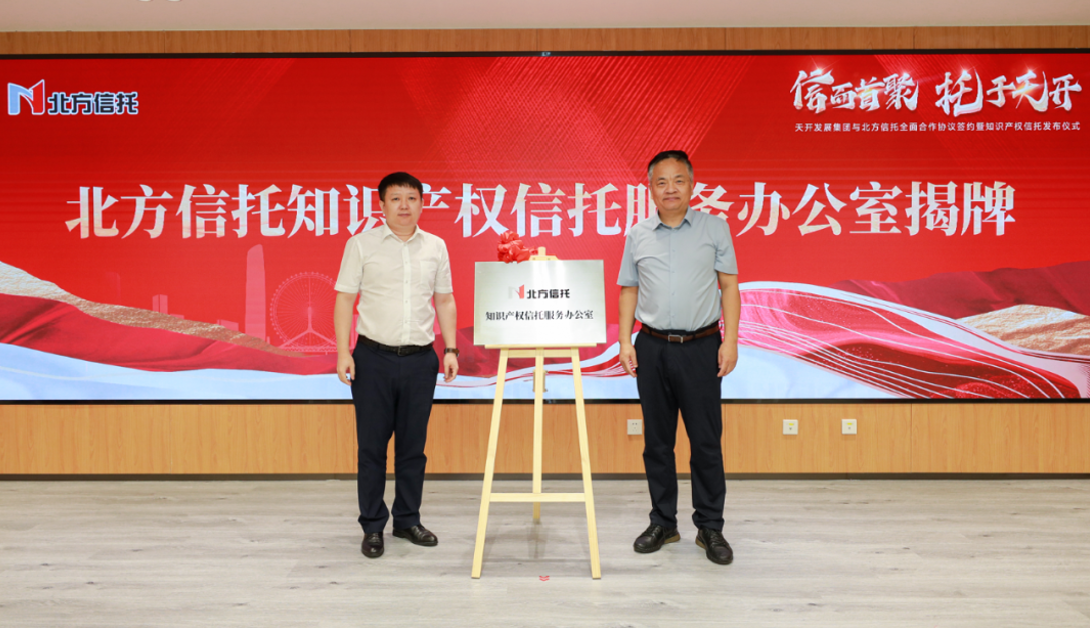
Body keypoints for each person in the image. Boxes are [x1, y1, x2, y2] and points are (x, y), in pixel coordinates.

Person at [616, 150, 741, 565]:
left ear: (692, 184)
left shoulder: (714, 228)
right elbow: (629, 289)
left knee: (706, 441)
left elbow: (728, 287)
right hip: (651, 348)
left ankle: (710, 526)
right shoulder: (638, 235)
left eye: (678, 180)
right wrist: (625, 341)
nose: (670, 189)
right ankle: (663, 522)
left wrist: (730, 341)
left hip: (702, 347)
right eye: (661, 182)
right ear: (650, 188)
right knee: (657, 442)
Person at [333, 171, 459, 559]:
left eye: (412, 198)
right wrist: (343, 352)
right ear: (382, 205)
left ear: (422, 203)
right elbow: (344, 299)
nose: (404, 206)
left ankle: (407, 519)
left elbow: (444, 300)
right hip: (372, 360)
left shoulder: (435, 246)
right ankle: (373, 526)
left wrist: (451, 349)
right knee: (372, 449)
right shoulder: (361, 245)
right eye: (396, 199)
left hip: (421, 360)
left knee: (412, 448)